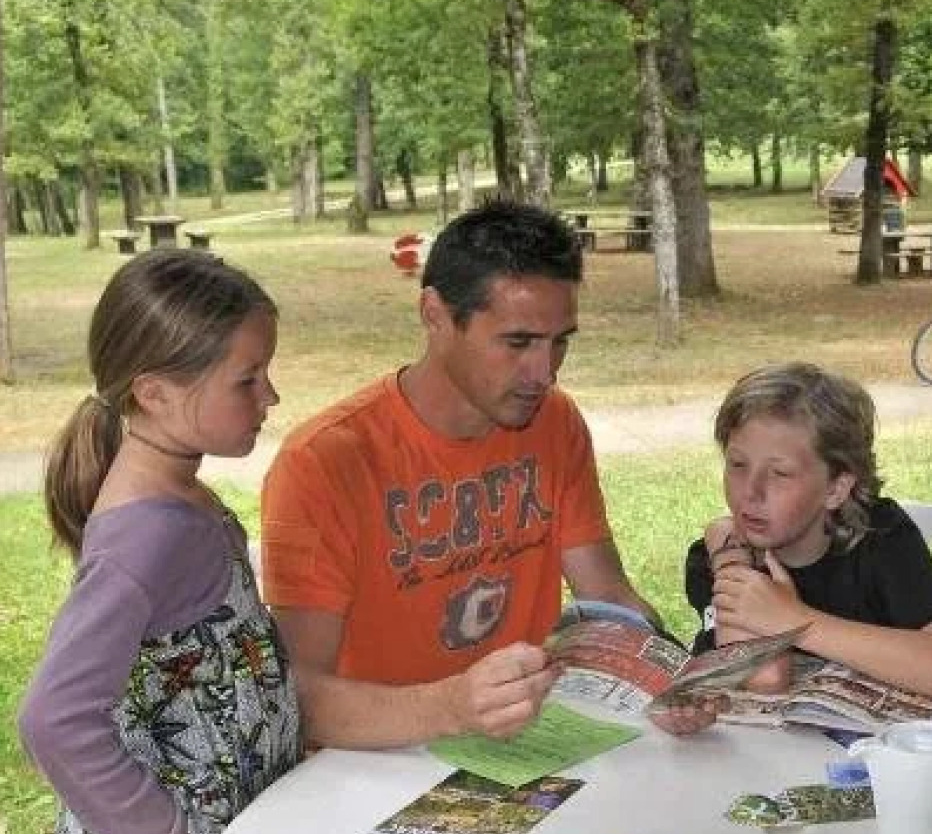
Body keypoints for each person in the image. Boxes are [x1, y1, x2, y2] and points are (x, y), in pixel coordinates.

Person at [261, 199, 658, 750]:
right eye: (518, 342)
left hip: (519, 743)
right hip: (377, 761)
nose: (544, 372)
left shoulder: (555, 421)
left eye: (560, 341)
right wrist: (452, 706)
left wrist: (675, 675)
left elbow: (609, 595)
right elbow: (296, 700)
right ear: (435, 314)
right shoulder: (327, 461)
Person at [18, 251, 302, 834]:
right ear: (155, 392)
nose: (270, 394)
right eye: (248, 378)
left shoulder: (182, 496)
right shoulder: (143, 537)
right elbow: (53, 717)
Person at [651, 363, 932, 735]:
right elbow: (768, 677)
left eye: (780, 473)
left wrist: (793, 621)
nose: (750, 492)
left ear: (836, 489)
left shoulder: (880, 538)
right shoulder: (717, 557)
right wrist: (729, 560)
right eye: (738, 465)